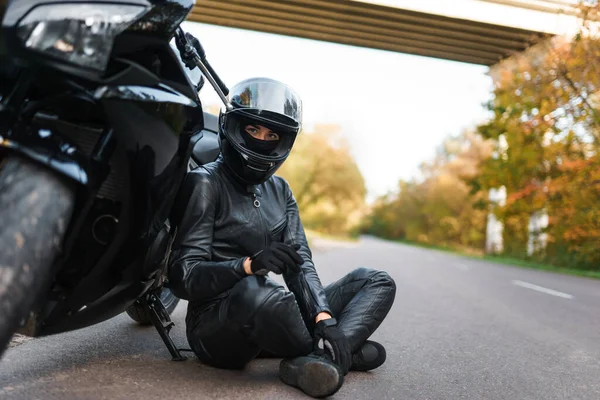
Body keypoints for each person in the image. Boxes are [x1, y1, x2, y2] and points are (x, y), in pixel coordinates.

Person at [167, 76, 396, 398]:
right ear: (231, 127)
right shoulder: (205, 183)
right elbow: (182, 277)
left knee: (376, 281)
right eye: (252, 130)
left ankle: (319, 357)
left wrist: (324, 317)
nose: (262, 140)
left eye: (272, 134)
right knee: (255, 291)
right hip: (217, 328)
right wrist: (246, 265)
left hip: (274, 311)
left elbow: (300, 264)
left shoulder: (281, 190)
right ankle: (332, 354)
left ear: (283, 140)